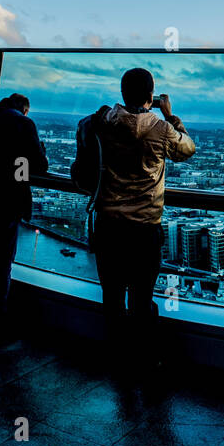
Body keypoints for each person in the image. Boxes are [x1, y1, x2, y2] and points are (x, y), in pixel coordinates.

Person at [90, 68, 196, 368]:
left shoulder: (104, 121)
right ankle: (145, 358)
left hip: (108, 224)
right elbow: (188, 149)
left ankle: (117, 355)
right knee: (141, 297)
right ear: (152, 96)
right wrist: (171, 115)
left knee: (111, 296)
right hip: (144, 229)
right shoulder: (161, 129)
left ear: (123, 93)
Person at [0, 93, 47, 317]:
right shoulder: (24, 123)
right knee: (2, 261)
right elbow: (39, 165)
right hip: (8, 200)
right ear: (24, 109)